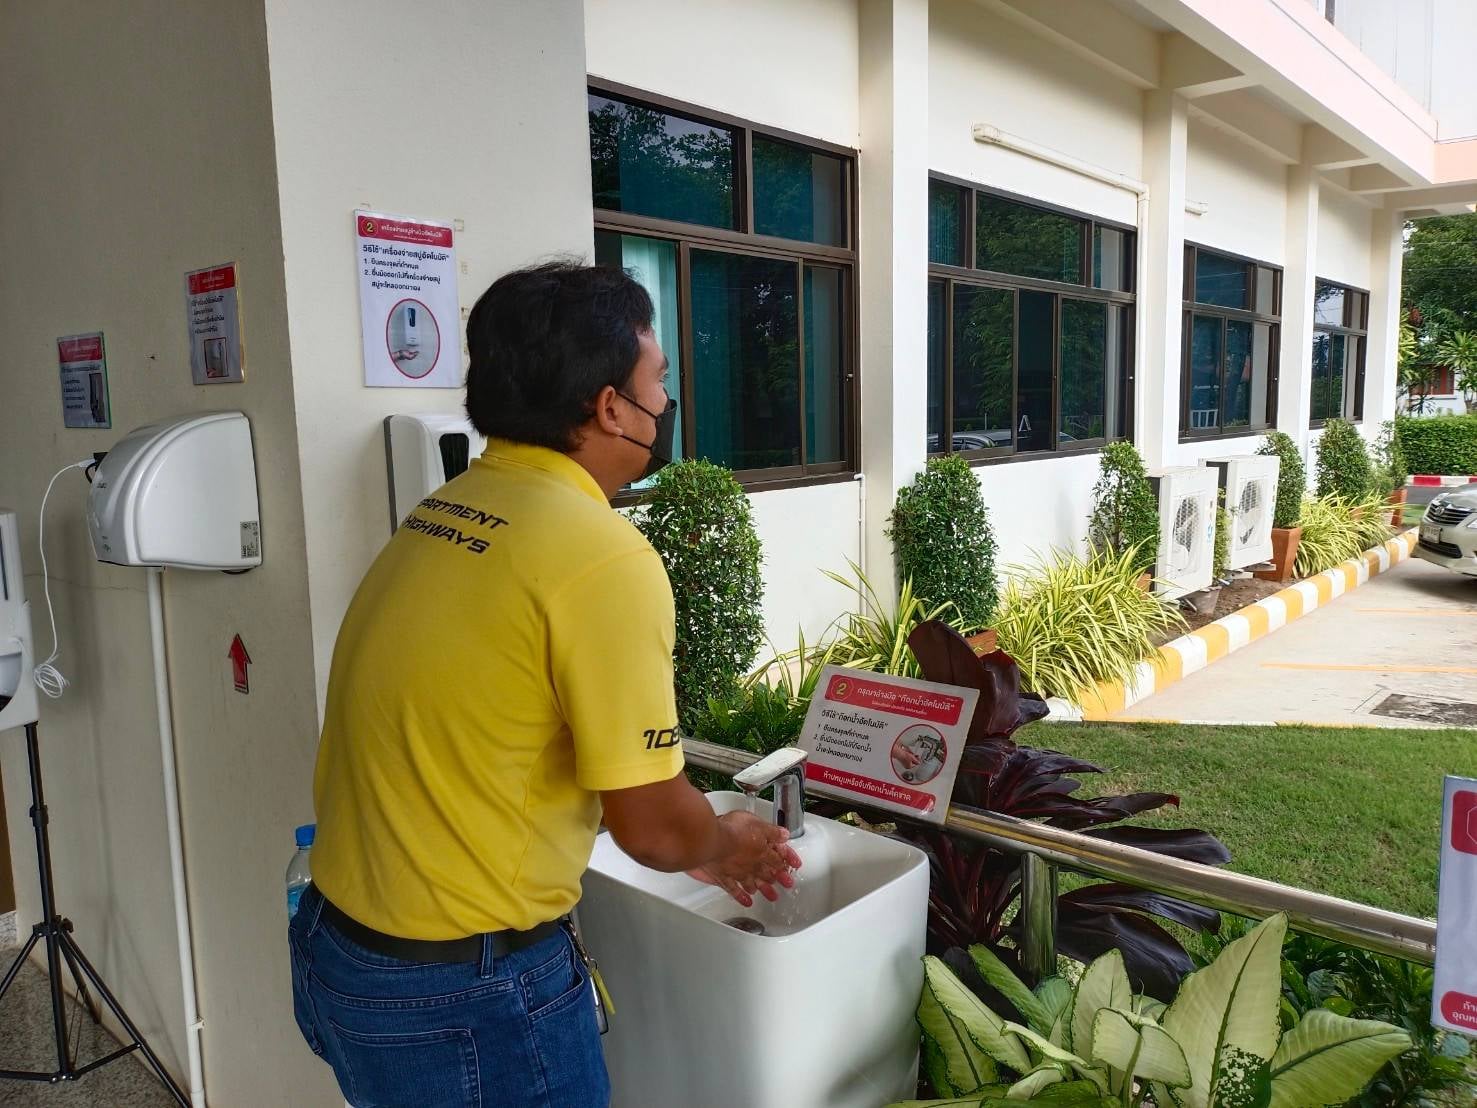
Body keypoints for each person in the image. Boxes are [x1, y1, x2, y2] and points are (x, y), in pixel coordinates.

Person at [289, 261, 801, 1107]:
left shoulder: (443, 511)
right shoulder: (599, 554)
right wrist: (721, 842)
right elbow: (651, 828)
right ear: (609, 407)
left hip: (341, 951)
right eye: (658, 380)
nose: (665, 402)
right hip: (463, 997)